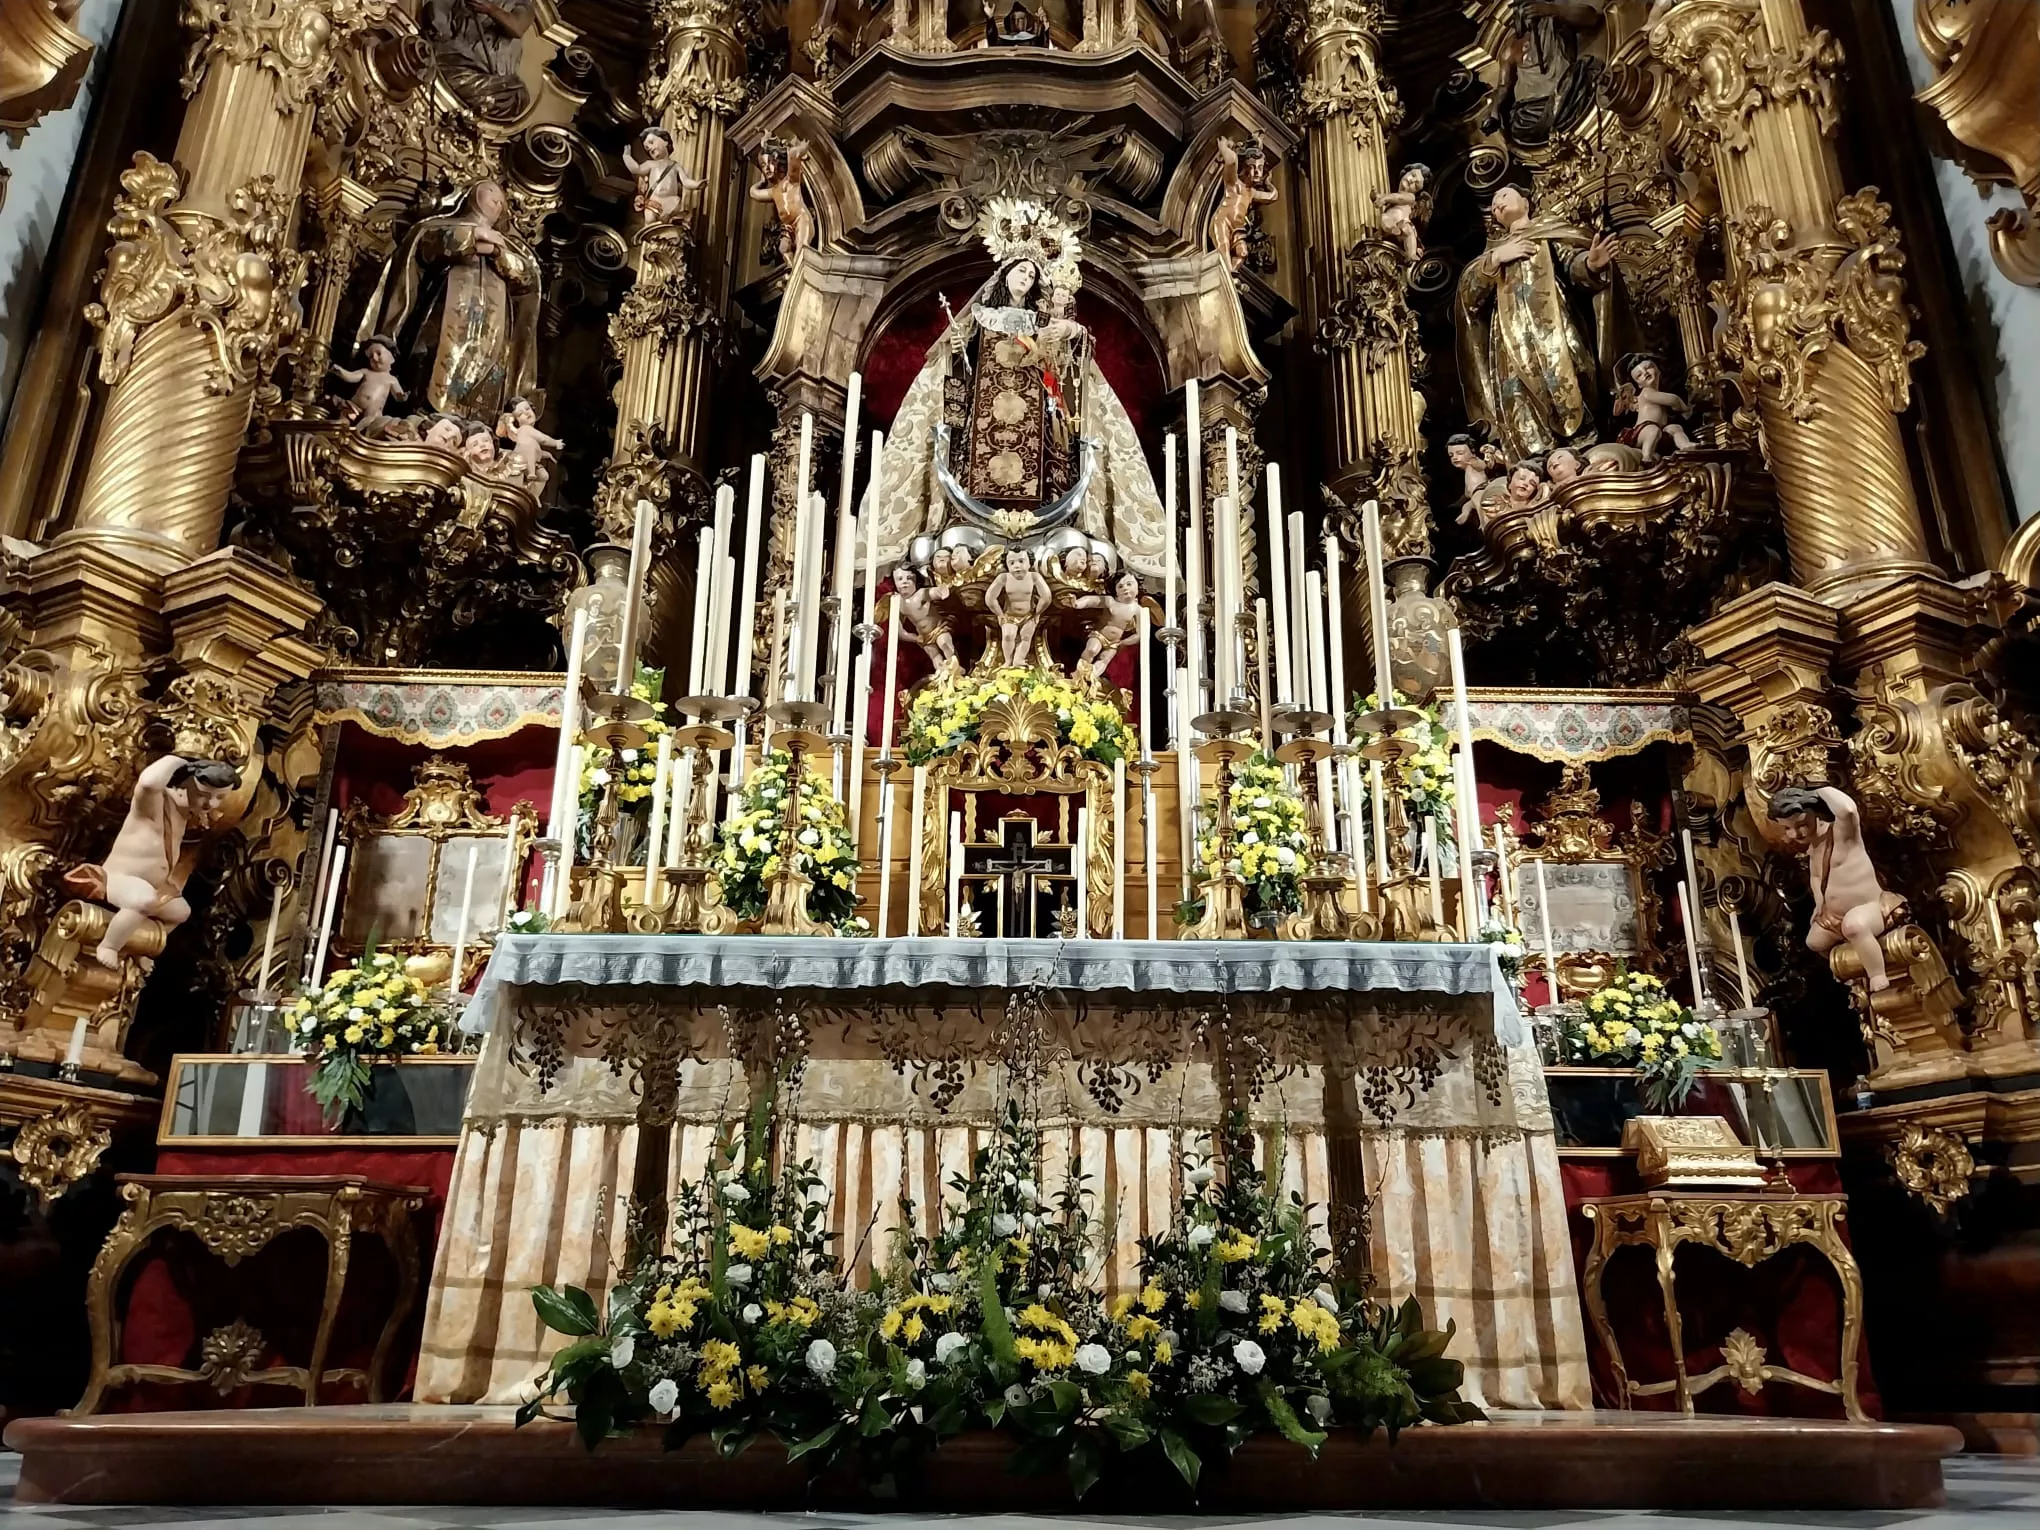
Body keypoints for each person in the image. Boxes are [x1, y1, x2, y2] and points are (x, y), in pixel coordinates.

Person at [1454, 184, 1618, 460]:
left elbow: (1571, 265)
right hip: (1510, 336)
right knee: (1517, 389)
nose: (1497, 204)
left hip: (1554, 324)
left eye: (1503, 196)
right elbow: (1469, 299)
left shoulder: (1549, 232)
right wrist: (1495, 260)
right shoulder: (1493, 252)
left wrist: (1590, 264)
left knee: (1571, 371)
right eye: (1493, 204)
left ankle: (1581, 445)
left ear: (1526, 202)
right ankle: (1537, 458)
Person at [361, 178, 542, 419]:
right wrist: (471, 237)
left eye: (501, 199)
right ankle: (419, 415)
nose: (497, 199)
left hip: (493, 330)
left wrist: (497, 252)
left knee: (487, 375)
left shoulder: (509, 247)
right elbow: (426, 247)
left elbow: (527, 278)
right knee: (431, 361)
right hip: (446, 310)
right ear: (471, 196)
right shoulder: (441, 227)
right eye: (489, 191)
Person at [64, 755, 240, 970]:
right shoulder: (156, 803)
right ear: (186, 783)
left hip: (154, 886)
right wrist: (178, 761)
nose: (211, 804)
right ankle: (109, 946)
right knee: (142, 899)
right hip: (121, 878)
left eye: (219, 798)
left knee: (180, 912)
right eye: (204, 795)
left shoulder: (185, 812)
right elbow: (148, 782)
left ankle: (141, 946)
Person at [1768, 784, 1902, 993]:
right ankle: (1853, 967)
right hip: (1834, 916)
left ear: (1814, 813)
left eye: (1801, 824)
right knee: (1814, 941)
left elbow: (1848, 810)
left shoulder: (1842, 835)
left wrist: (1818, 791)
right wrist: (1820, 906)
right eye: (1787, 828)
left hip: (1870, 907)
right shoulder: (1813, 847)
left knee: (1854, 926)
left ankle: (1877, 973)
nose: (1795, 834)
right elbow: (1816, 876)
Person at [1210, 135, 1278, 274]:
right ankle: (1229, 277)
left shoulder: (1251, 193)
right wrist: (1224, 148)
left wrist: (1268, 183)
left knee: (1242, 253)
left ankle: (1230, 275)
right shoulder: (1234, 184)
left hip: (1237, 228)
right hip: (1223, 222)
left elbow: (1272, 196)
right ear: (1245, 168)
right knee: (1223, 250)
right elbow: (1231, 162)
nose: (1257, 172)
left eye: (1260, 168)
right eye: (1252, 167)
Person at [986, 547, 1052, 669]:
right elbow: (990, 598)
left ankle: (1019, 660)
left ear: (1029, 562)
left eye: (1021, 561)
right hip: (1009, 616)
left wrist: (1037, 614)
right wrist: (1000, 615)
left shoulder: (1034, 577)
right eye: (1012, 563)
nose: (1017, 566)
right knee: (1008, 636)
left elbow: (1046, 597)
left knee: (1026, 636)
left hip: (1029, 616)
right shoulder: (1003, 578)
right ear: (1006, 565)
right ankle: (1008, 661)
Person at [623, 127, 704, 224]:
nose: (651, 149)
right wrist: (627, 157)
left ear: (665, 142)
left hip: (669, 200)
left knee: (676, 204)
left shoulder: (675, 165)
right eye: (647, 149)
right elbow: (637, 169)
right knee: (650, 219)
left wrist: (697, 184)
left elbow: (685, 181)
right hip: (654, 200)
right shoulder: (651, 164)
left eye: (652, 143)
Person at [330, 335, 408, 430]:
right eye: (371, 356)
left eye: (378, 354)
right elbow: (352, 376)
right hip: (355, 405)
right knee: (343, 419)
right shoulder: (366, 371)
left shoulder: (391, 379)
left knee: (372, 419)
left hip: (373, 413)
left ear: (391, 357)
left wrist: (402, 396)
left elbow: (398, 395)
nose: (374, 358)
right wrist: (341, 372)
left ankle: (356, 433)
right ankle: (341, 430)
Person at [1074, 571, 1143, 678]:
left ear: (1137, 586)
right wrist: (1077, 603)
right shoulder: (1111, 602)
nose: (1125, 588)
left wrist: (1123, 643)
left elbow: (1139, 635)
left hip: (1115, 643)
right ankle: (1079, 673)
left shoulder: (1138, 610)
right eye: (1120, 586)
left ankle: (1090, 678)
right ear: (1115, 590)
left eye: (1129, 584)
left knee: (1104, 660)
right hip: (1100, 635)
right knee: (1092, 650)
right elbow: (1091, 601)